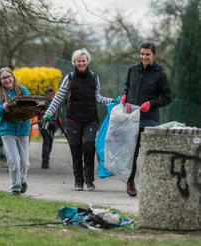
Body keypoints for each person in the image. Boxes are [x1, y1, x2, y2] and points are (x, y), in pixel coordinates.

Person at [43, 48, 115, 191]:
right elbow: (58, 97)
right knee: (76, 151)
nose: (81, 63)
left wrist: (112, 100)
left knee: (89, 147)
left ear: (88, 61)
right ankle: (78, 181)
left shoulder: (94, 77)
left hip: (90, 119)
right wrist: (49, 113)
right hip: (73, 120)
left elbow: (98, 97)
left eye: (84, 60)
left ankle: (89, 180)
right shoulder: (69, 78)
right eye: (78, 61)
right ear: (74, 62)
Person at [120, 42, 172, 197]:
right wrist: (124, 95)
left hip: (149, 120)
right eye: (142, 54)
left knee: (150, 153)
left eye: (147, 54)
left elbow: (167, 97)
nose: (144, 57)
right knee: (132, 153)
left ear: (154, 55)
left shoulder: (160, 73)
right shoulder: (132, 70)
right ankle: (130, 182)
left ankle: (153, 185)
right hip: (131, 118)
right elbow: (127, 86)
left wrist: (151, 103)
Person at [0, 67, 31, 195]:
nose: (7, 80)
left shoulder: (22, 90)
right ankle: (15, 187)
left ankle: (22, 180)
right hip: (7, 129)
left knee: (25, 162)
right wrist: (6, 106)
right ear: (0, 81)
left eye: (8, 77)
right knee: (14, 160)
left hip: (22, 129)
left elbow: (30, 105)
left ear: (13, 77)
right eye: (3, 78)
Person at [38, 87, 60, 169]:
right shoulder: (43, 104)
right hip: (44, 125)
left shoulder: (55, 103)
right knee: (46, 142)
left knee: (50, 142)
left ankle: (47, 159)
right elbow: (39, 114)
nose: (50, 96)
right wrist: (40, 122)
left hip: (53, 125)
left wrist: (60, 124)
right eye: (48, 94)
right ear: (45, 95)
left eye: (51, 94)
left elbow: (57, 116)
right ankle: (45, 161)